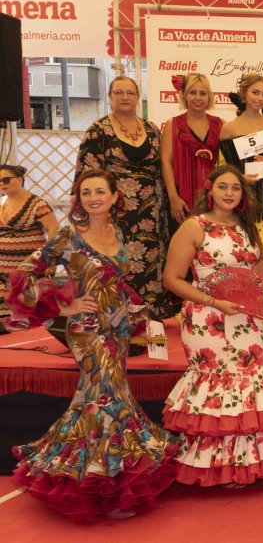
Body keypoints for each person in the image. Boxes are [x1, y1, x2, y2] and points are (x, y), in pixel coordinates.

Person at [4, 169, 176, 521]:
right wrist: (63, 305)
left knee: (107, 400)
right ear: (79, 198)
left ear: (115, 197)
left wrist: (142, 319)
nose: (93, 198)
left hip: (119, 330)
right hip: (87, 332)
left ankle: (97, 478)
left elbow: (116, 283)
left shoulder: (117, 231)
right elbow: (25, 272)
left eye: (100, 191)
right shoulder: (69, 235)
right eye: (86, 193)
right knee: (104, 399)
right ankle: (104, 485)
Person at [161, 166, 263, 486]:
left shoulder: (246, 227)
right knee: (219, 388)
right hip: (208, 322)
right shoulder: (195, 227)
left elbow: (260, 261)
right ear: (210, 190)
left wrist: (254, 288)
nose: (229, 193)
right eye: (223, 186)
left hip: (246, 319)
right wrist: (213, 301)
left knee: (251, 385)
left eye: (235, 188)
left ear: (242, 194)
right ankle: (221, 468)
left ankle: (255, 467)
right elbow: (171, 279)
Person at [76, 75, 170, 321]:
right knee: (122, 264)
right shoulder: (98, 131)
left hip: (152, 212)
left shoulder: (151, 129)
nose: (125, 97)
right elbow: (88, 175)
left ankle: (150, 320)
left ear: (138, 97)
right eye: (118, 92)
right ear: (110, 97)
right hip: (116, 213)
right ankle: (120, 318)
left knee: (152, 266)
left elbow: (164, 167)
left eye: (130, 92)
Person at [218, 73, 263, 244]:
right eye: (255, 92)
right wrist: (240, 178)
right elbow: (222, 167)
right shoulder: (229, 128)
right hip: (242, 196)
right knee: (246, 243)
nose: (260, 98)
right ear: (244, 94)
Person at [0, 164, 58, 330]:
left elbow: (53, 229)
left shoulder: (36, 203)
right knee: (5, 313)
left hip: (28, 267)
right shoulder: (2, 202)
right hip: (4, 268)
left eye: (6, 179)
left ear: (19, 180)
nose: (2, 184)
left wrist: (51, 259)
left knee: (26, 312)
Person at [161, 73, 223, 230]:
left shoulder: (220, 124)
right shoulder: (172, 124)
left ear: (209, 97)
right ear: (184, 95)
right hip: (182, 200)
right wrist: (173, 197)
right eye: (192, 92)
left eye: (203, 93)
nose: (198, 97)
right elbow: (166, 162)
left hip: (214, 199)